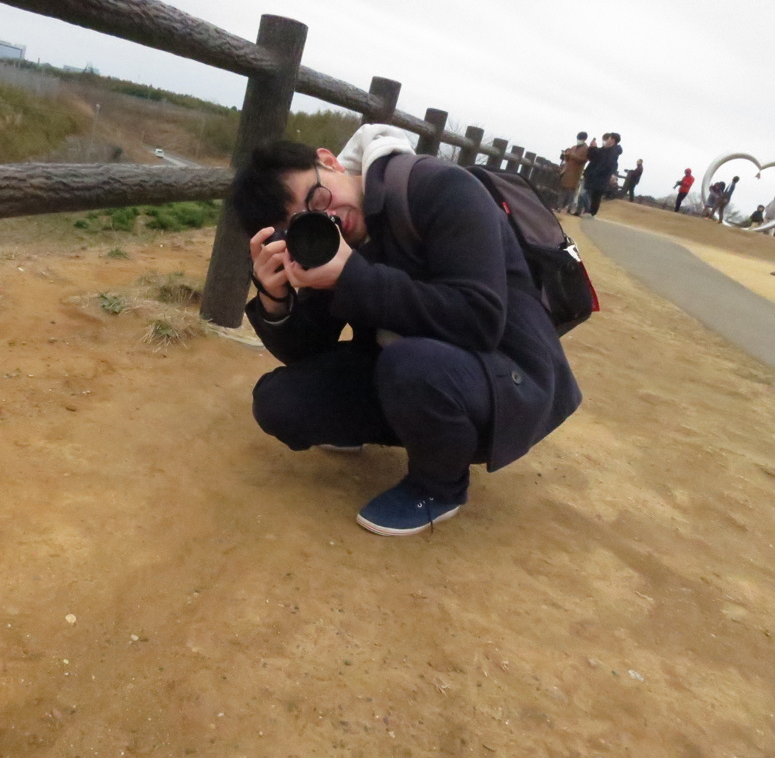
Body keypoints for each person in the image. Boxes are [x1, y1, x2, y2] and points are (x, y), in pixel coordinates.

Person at [231, 125, 582, 536]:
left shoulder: (442, 188)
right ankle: (380, 424)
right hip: (409, 370)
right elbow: (312, 352)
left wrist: (352, 277)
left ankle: (439, 487)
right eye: (304, 223)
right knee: (280, 402)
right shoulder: (325, 240)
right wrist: (276, 300)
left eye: (319, 197)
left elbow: (480, 320)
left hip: (506, 374)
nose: (330, 219)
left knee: (411, 365)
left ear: (329, 162)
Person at [577, 133, 621, 217]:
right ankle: (589, 212)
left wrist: (596, 172)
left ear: (613, 140)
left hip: (600, 177)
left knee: (589, 194)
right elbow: (593, 157)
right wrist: (592, 148)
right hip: (596, 176)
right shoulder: (606, 149)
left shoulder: (613, 151)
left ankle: (590, 212)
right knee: (593, 195)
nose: (607, 141)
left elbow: (606, 164)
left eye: (609, 139)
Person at [556, 131, 589, 212]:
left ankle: (569, 208)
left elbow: (584, 160)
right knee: (563, 189)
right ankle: (559, 206)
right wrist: (566, 155)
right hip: (567, 170)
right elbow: (567, 158)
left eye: (580, 138)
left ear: (584, 139)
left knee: (571, 191)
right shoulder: (573, 147)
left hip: (575, 172)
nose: (579, 140)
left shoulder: (586, 149)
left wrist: (573, 156)